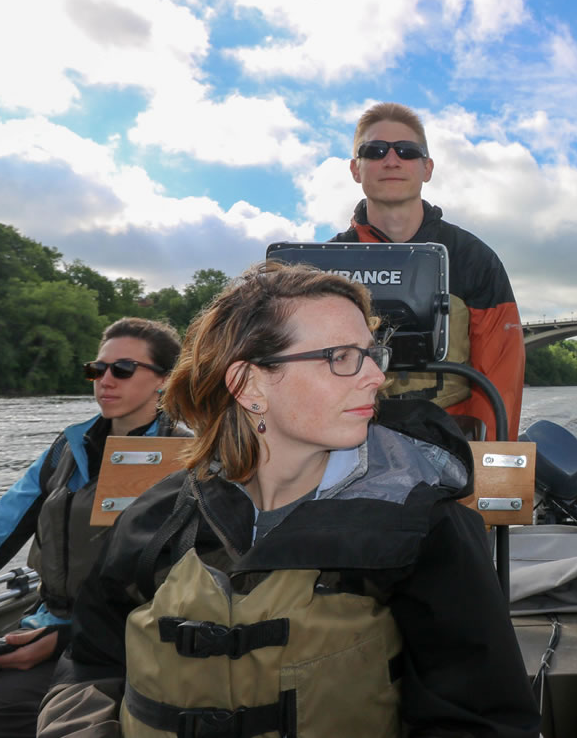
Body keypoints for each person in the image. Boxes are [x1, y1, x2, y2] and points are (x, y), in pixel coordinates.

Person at [39, 261, 539, 737]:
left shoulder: (422, 522)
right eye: (340, 357)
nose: (375, 377)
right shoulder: (159, 518)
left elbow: (481, 720)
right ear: (249, 384)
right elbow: (90, 665)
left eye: (370, 354)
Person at [0, 317, 189, 738]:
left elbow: (180, 588)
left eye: (122, 369)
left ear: (165, 380)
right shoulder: (63, 452)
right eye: (96, 369)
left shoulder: (185, 458)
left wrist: (68, 636)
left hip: (125, 638)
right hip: (44, 624)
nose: (105, 380)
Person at [331, 102, 525, 440]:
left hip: (448, 448)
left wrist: (483, 465)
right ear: (355, 169)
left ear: (427, 168)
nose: (391, 160)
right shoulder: (326, 266)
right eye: (374, 151)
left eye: (406, 151)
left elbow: (499, 373)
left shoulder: (473, 258)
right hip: (350, 445)